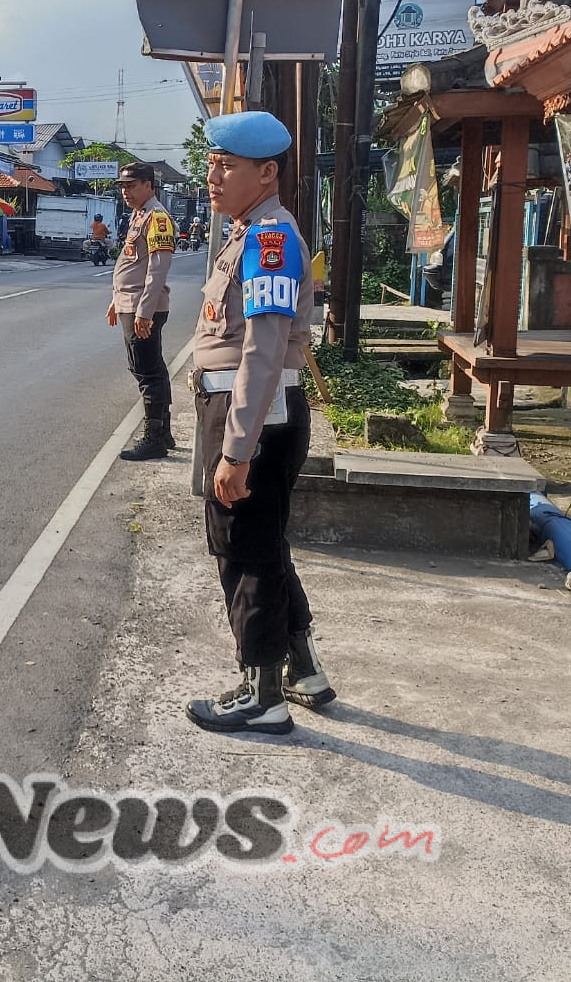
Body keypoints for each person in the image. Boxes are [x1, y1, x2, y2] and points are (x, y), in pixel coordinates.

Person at [184, 110, 335, 736]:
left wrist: (236, 449)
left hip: (251, 414)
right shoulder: (247, 232)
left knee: (243, 552)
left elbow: (263, 351)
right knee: (266, 545)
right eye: (213, 163)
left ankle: (261, 691)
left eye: (228, 166)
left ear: (266, 172)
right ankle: (302, 670)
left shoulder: (269, 239)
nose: (214, 176)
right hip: (250, 409)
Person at [106, 162, 177, 460]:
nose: (126, 191)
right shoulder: (139, 216)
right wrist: (115, 300)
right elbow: (133, 264)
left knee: (146, 372)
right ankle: (164, 432)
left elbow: (157, 270)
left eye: (131, 185)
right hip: (130, 304)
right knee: (153, 368)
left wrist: (144, 312)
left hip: (141, 308)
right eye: (123, 186)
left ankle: (153, 438)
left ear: (149, 185)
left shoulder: (157, 218)